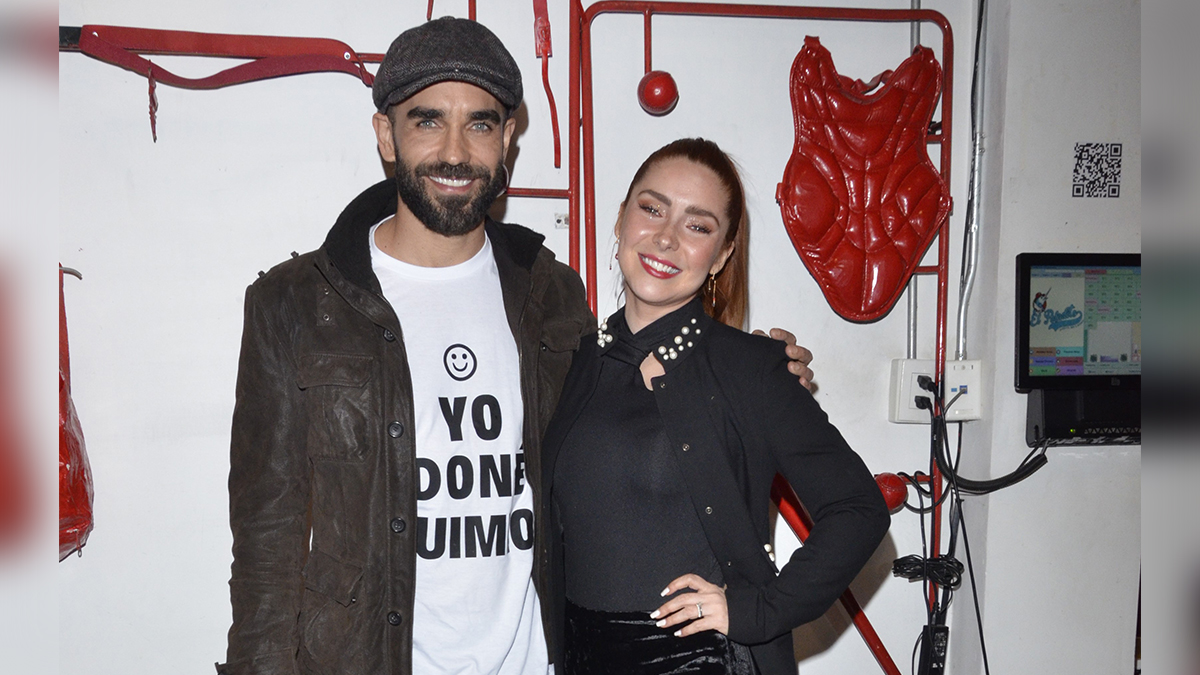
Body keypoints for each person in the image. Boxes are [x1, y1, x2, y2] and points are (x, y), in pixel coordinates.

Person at [218, 18, 815, 675]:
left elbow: (636, 400)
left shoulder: (550, 294)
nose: (455, 152)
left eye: (479, 124)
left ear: (506, 141)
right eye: (427, 121)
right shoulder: (296, 304)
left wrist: (749, 371)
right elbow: (267, 536)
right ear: (386, 135)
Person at [541, 138, 890, 675]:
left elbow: (859, 509)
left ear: (722, 255)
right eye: (652, 208)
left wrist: (756, 610)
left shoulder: (753, 369)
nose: (666, 237)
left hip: (700, 662)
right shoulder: (567, 360)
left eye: (697, 226)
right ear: (621, 219)